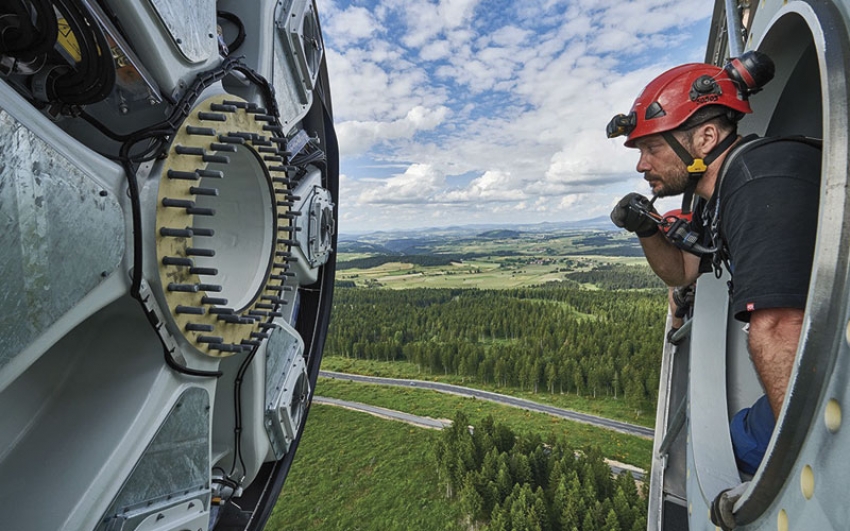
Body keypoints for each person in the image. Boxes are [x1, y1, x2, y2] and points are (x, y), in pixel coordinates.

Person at [605, 51, 821, 476]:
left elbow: (779, 328)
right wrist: (646, 230)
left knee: (746, 457)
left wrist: (809, 474)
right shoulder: (716, 192)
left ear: (704, 139)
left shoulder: (760, 182)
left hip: (829, 360)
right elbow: (683, 271)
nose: (641, 164)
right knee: (737, 445)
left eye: (650, 147)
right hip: (823, 353)